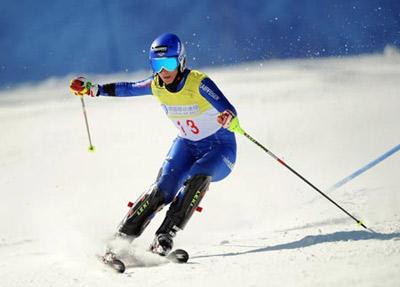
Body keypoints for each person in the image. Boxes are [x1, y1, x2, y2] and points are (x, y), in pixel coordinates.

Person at [70, 33, 243, 258]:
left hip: (220, 148)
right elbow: (128, 88)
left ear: (181, 61)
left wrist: (228, 118)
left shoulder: (198, 82)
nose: (164, 71)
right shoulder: (157, 85)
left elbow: (230, 111)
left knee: (198, 176)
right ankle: (121, 238)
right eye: (157, 65)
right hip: (187, 145)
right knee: (164, 188)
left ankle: (165, 236)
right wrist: (95, 89)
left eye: (169, 63)